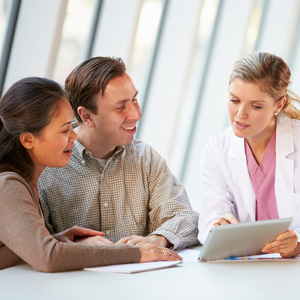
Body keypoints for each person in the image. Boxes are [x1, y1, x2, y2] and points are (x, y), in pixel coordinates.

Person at [0, 77, 181, 272]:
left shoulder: (24, 183)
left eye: (71, 126)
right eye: (64, 130)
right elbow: (49, 258)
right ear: (28, 140)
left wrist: (57, 240)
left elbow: (10, 255)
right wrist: (134, 253)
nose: (74, 136)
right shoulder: (8, 185)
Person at [38, 57, 199, 250]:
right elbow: (32, 243)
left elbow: (186, 218)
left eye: (134, 100)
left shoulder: (145, 159)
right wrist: (70, 244)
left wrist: (158, 239)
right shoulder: (47, 168)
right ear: (86, 116)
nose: (137, 115)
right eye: (121, 106)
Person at [198, 52, 300, 258]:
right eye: (234, 100)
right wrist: (217, 227)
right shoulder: (217, 149)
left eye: (256, 106)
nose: (240, 114)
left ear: (278, 105)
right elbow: (212, 212)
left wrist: (297, 244)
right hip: (245, 267)